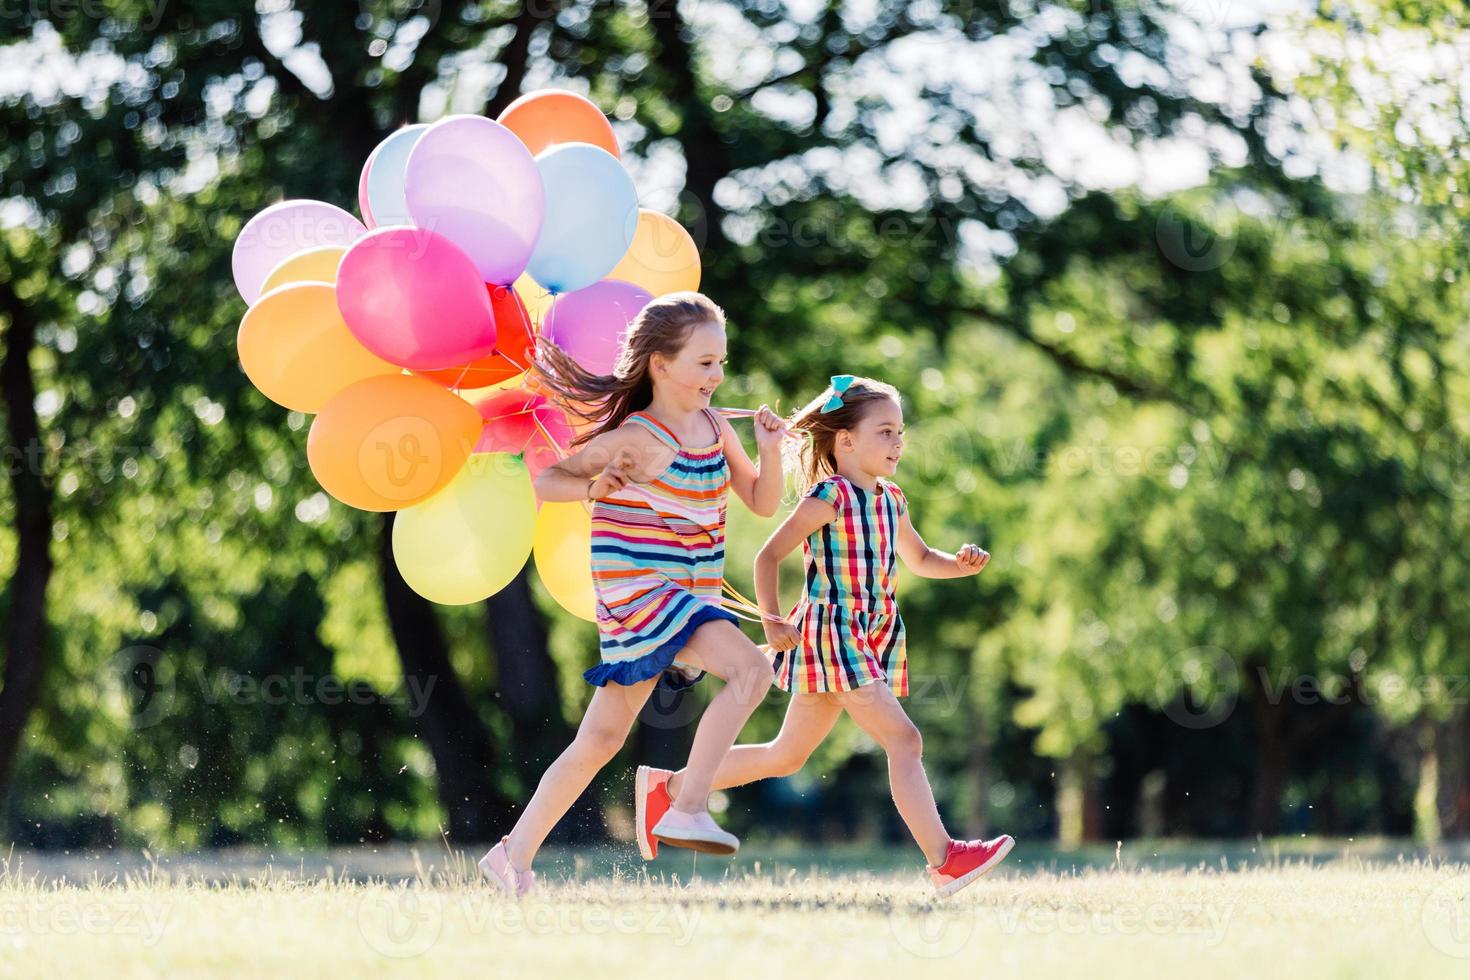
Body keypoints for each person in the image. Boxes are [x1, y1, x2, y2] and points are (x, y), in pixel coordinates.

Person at [636, 375, 1014, 897]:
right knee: (905, 739)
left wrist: (961, 565)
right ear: (846, 441)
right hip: (832, 633)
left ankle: (670, 789)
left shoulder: (892, 500)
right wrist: (771, 619)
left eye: (900, 432)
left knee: (786, 756)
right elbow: (767, 556)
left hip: (864, 635)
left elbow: (922, 559)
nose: (898, 442)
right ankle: (944, 859)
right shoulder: (830, 497)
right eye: (885, 431)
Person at [479, 292, 785, 896]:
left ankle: (510, 855)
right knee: (752, 671)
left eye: (721, 362)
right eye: (704, 363)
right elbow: (550, 477)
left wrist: (772, 451)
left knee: (599, 740)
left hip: (687, 592)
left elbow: (764, 502)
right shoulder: (635, 436)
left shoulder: (719, 426)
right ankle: (688, 803)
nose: (717, 376)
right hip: (643, 591)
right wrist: (596, 484)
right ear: (660, 364)